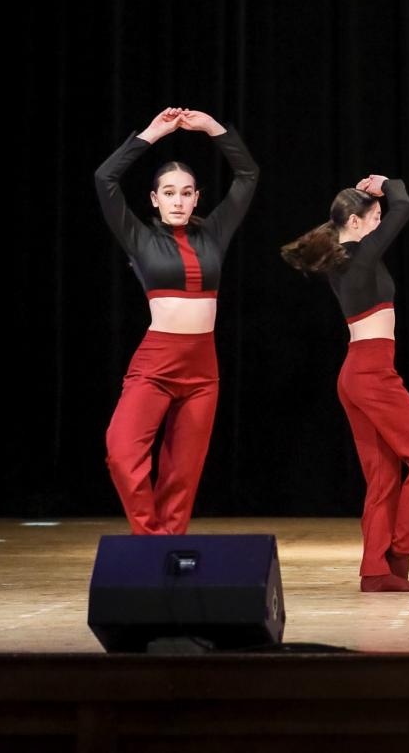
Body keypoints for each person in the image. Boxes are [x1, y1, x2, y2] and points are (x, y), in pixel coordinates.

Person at [95, 107, 258, 534]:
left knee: (182, 475)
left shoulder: (214, 233)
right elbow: (104, 180)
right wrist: (150, 133)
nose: (178, 201)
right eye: (169, 192)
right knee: (122, 450)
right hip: (155, 363)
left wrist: (213, 129)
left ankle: (167, 550)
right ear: (154, 198)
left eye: (186, 192)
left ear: (197, 197)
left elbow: (247, 176)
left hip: (203, 370)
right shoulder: (139, 236)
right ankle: (148, 540)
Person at [282, 175, 409, 591]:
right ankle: (400, 547)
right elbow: (405, 206)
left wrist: (376, 197)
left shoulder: (345, 258)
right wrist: (388, 183)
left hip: (359, 372)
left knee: (384, 477)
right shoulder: (359, 253)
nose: (380, 224)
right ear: (354, 223)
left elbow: (393, 213)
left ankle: (376, 571)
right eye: (374, 218)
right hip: (371, 373)